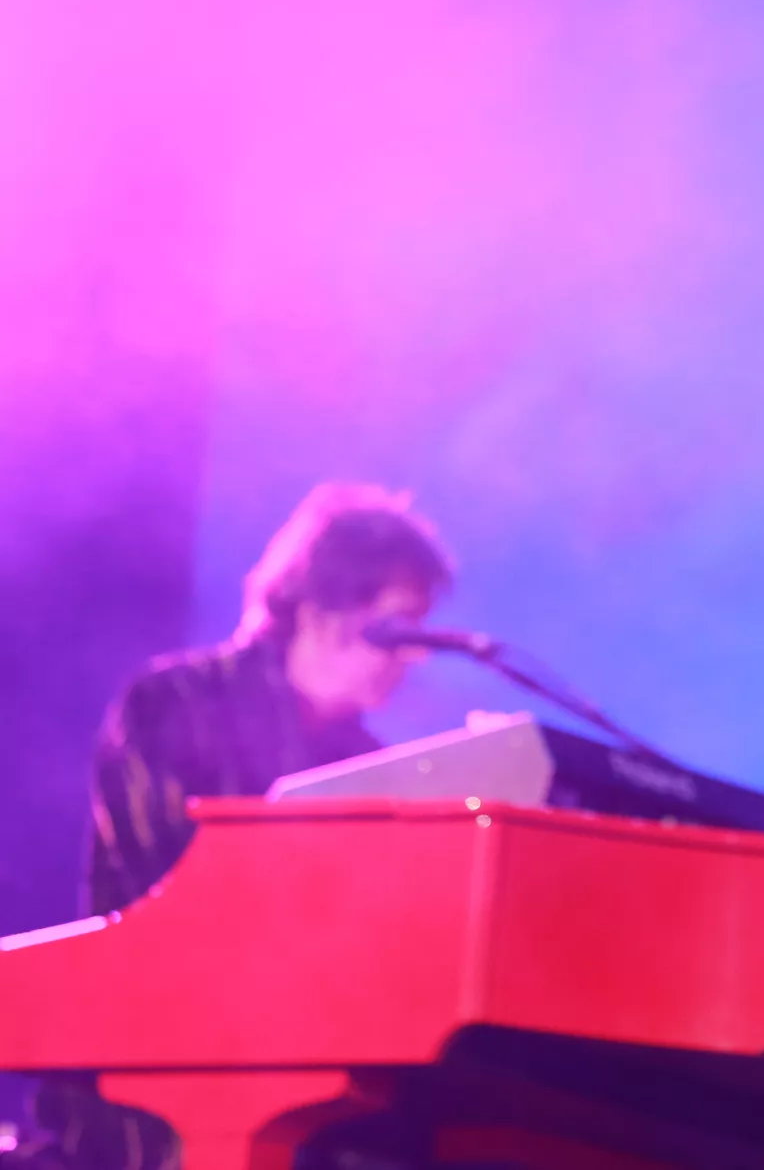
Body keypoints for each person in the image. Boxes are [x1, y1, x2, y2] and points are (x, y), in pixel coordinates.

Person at [8, 482, 452, 1170]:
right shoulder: (175, 702)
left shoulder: (369, 764)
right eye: (396, 628)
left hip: (308, 1083)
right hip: (154, 1077)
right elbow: (169, 894)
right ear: (320, 606)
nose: (413, 655)